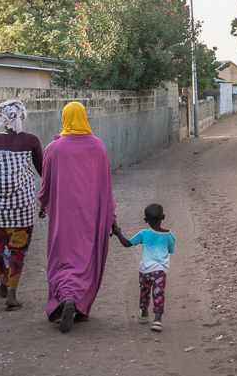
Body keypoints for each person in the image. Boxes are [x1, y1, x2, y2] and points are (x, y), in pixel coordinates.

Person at [39, 101, 115, 333]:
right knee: (86, 257)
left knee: (62, 257)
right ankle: (79, 304)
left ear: (65, 118)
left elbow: (46, 184)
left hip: (63, 216)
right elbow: (105, 185)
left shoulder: (53, 148)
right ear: (84, 117)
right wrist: (110, 215)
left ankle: (65, 298)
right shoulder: (99, 147)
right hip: (90, 215)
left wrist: (43, 204)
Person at [0, 99, 43, 310]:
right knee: (17, 249)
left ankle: (2, 282)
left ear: (1, 119)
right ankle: (10, 292)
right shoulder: (32, 141)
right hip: (22, 207)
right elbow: (43, 171)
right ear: (22, 117)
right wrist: (46, 200)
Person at [113, 203, 175, 332]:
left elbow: (126, 243)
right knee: (158, 293)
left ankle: (144, 313)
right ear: (163, 217)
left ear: (145, 220)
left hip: (145, 270)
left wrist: (118, 232)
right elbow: (172, 250)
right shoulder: (169, 236)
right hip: (160, 270)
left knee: (144, 291)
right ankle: (157, 320)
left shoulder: (143, 234)